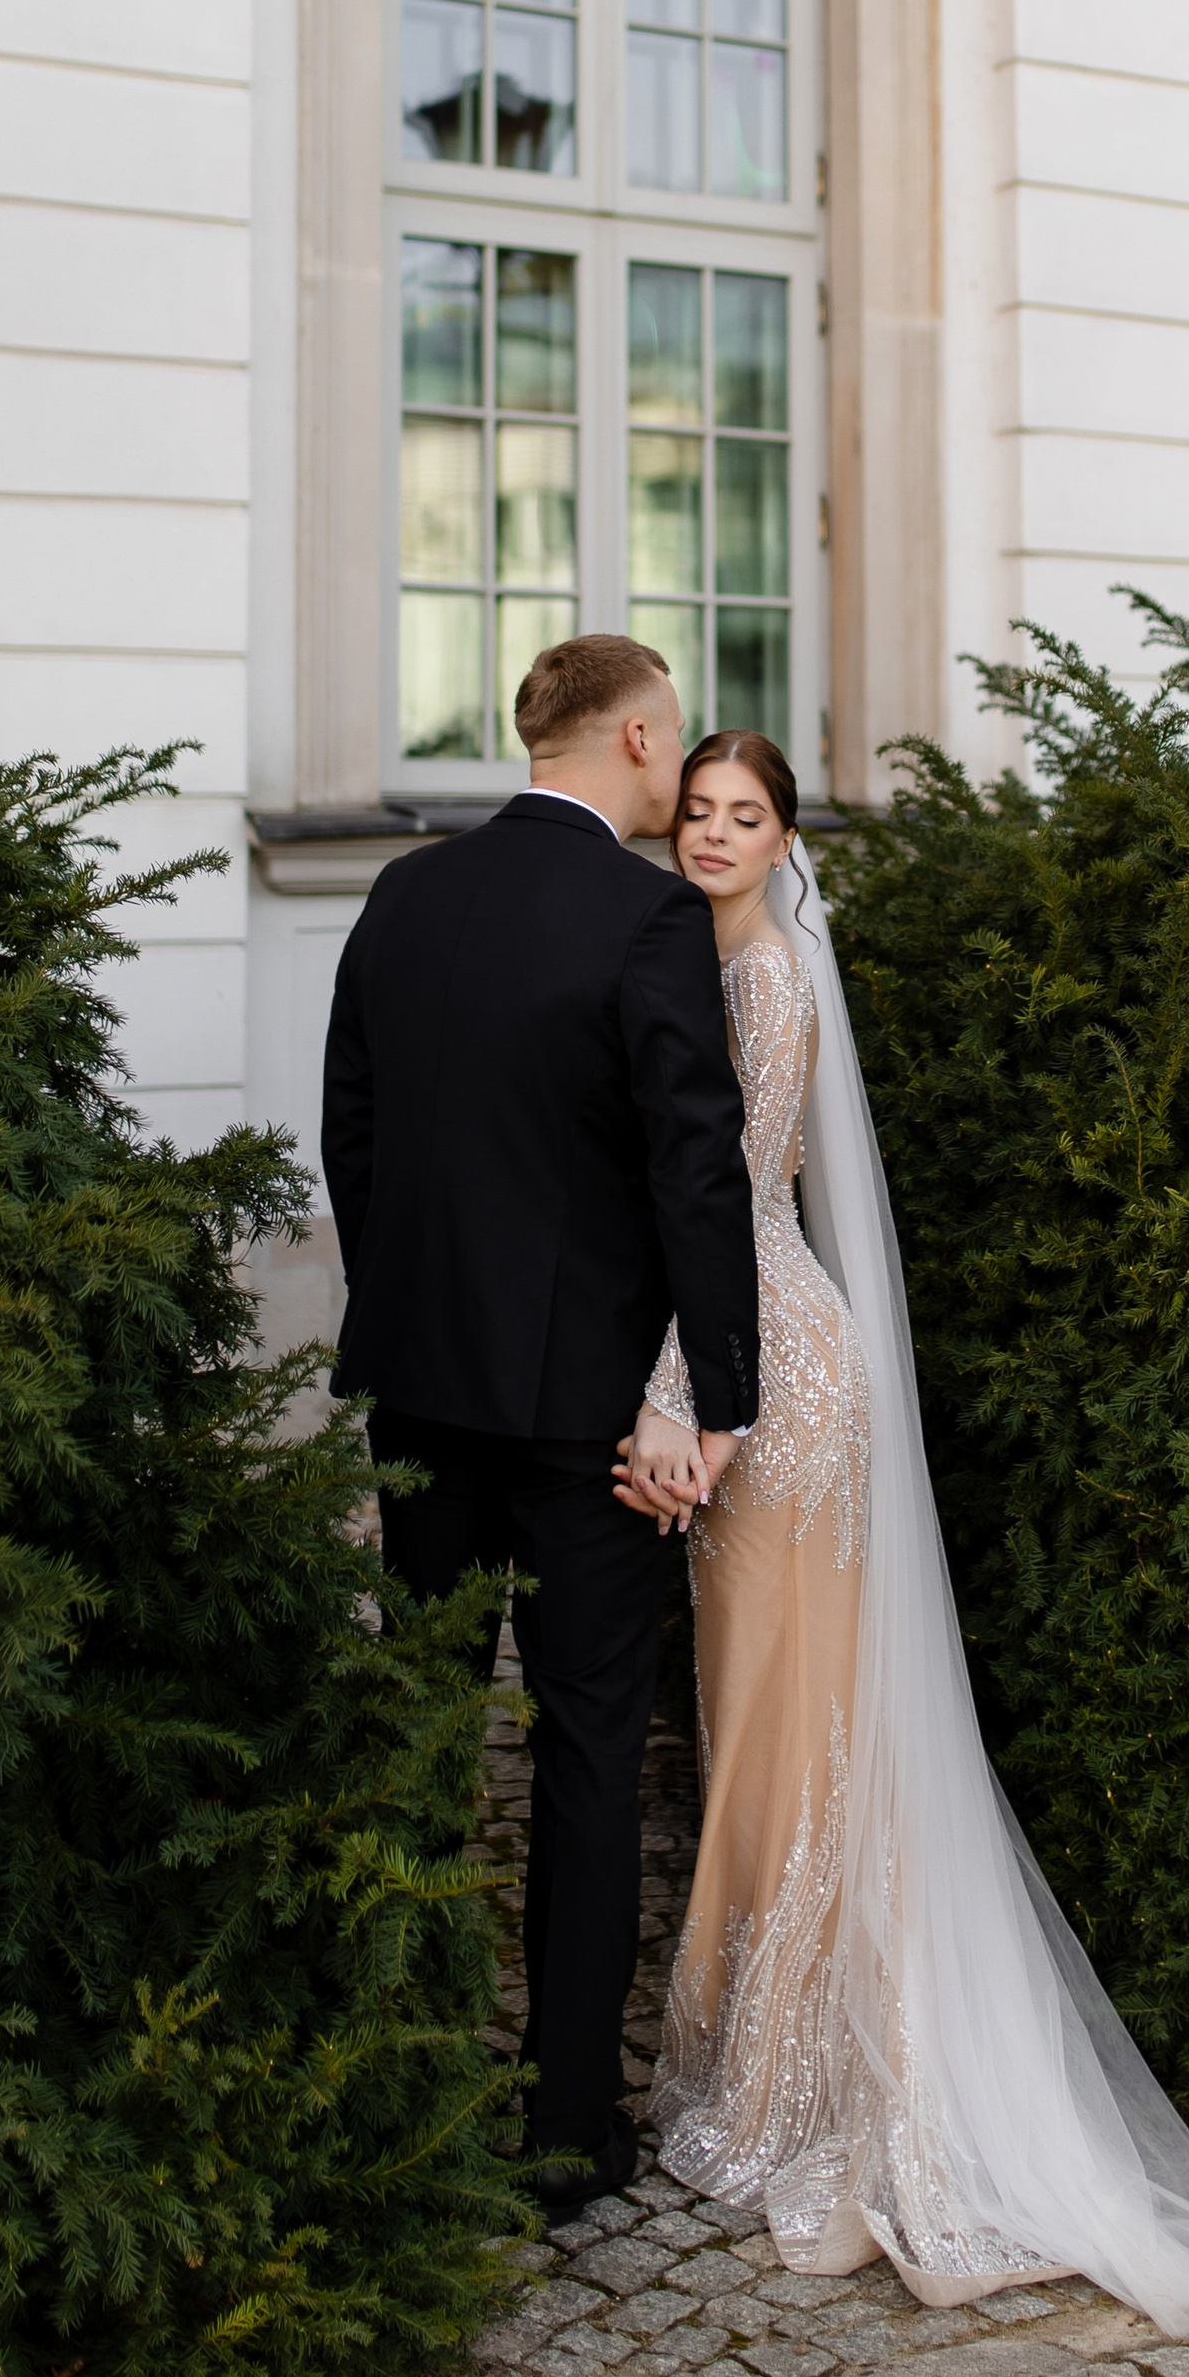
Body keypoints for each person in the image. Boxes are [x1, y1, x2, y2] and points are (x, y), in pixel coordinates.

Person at [616, 730, 1189, 2336]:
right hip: (790, 1350)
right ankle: (789, 2043)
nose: (715, 836)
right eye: (698, 813)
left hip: (767, 1378)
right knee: (784, 1718)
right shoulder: (747, 959)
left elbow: (727, 1202)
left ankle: (815, 2073)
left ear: (787, 836)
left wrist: (675, 1392)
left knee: (779, 1729)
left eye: (745, 816)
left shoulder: (755, 982)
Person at [320, 634, 759, 2220]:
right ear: (640, 738)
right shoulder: (648, 917)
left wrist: (416, 1322)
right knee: (582, 1749)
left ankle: (400, 2072)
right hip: (588, 1426)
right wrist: (719, 1394)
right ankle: (569, 2123)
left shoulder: (401, 896)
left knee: (423, 1724)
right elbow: (692, 1172)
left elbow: (352, 1136)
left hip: (422, 1397)